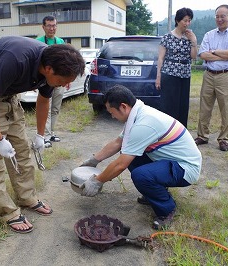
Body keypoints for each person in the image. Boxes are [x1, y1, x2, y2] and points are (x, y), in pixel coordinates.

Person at [0, 36, 85, 233]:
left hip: (6, 90)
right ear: (49, 70)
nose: (62, 85)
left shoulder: (53, 63)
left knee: (21, 148)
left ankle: (27, 197)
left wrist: (41, 135)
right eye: (62, 81)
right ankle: (7, 211)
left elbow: (43, 101)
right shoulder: (16, 59)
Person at [80, 85, 202, 229]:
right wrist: (94, 160)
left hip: (185, 168)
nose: (112, 116)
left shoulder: (144, 124)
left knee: (140, 175)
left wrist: (97, 181)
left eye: (112, 112)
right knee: (132, 156)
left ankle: (167, 209)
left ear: (123, 107)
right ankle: (153, 193)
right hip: (172, 161)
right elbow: (118, 142)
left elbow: (121, 165)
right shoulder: (137, 115)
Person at [194, 5, 228, 152]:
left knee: (226, 109)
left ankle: (223, 139)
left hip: (226, 75)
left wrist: (214, 52)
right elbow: (203, 55)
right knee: (205, 107)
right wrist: (225, 53)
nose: (220, 19)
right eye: (217, 16)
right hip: (209, 75)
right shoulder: (209, 34)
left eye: (223, 16)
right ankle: (202, 136)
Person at [156, 7, 197, 128]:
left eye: (189, 20)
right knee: (168, 104)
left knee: (182, 105)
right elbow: (160, 58)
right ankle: (166, 131)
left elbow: (194, 57)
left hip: (185, 74)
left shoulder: (189, 37)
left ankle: (180, 133)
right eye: (185, 20)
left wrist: (194, 41)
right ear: (177, 20)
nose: (187, 23)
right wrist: (158, 76)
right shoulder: (167, 37)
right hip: (169, 73)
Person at [36, 15, 67, 148]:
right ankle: (45, 136)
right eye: (49, 25)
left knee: (55, 108)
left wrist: (67, 79)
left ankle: (52, 132)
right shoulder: (38, 42)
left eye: (54, 25)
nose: (52, 28)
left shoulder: (60, 41)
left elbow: (65, 62)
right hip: (45, 81)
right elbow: (36, 63)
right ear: (43, 27)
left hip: (59, 81)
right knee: (46, 108)